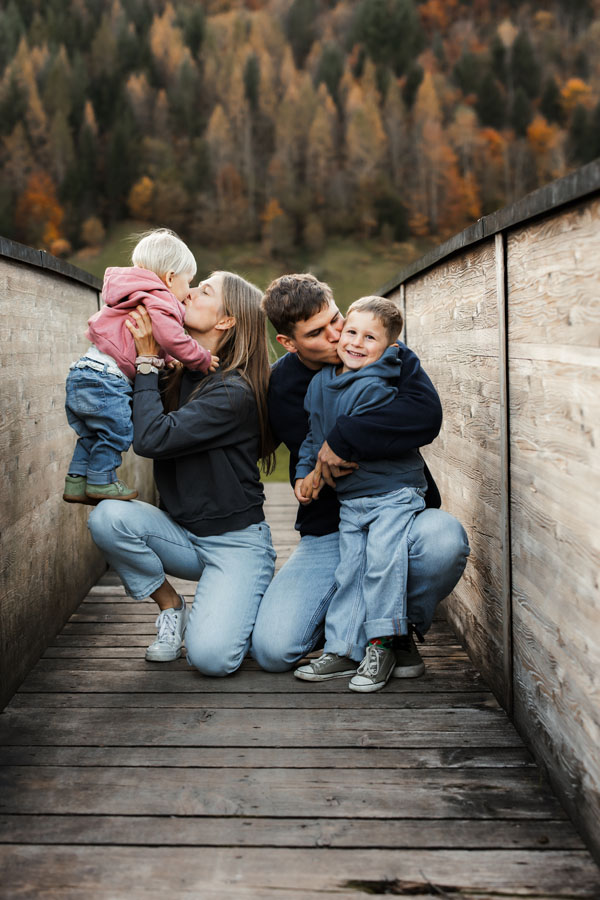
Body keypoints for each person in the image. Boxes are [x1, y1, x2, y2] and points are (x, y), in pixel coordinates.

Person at [252, 273, 470, 679]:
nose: (340, 336)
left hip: (395, 506)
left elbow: (425, 416)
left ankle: (394, 631)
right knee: (272, 650)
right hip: (332, 526)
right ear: (289, 343)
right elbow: (326, 463)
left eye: (337, 319)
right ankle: (348, 632)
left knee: (444, 539)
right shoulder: (284, 386)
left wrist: (345, 436)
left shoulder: (385, 353)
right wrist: (323, 459)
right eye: (319, 332)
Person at [87, 271, 276, 673]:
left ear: (226, 320)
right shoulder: (178, 371)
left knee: (212, 660)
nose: (188, 291)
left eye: (204, 290)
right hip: (183, 536)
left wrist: (146, 360)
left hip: (235, 544)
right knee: (107, 517)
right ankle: (172, 605)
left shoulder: (233, 391)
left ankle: (250, 596)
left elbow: (152, 439)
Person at [293, 296, 428, 692]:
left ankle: (384, 643)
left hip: (392, 492)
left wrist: (322, 464)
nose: (355, 342)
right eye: (351, 332)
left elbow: (354, 436)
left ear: (390, 349)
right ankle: (341, 648)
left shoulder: (377, 382)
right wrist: (305, 473)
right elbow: (313, 436)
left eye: (370, 338)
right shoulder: (320, 383)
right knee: (351, 569)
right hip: (353, 501)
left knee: (383, 564)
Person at [63, 229, 218, 505]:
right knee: (118, 431)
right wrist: (200, 358)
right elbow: (171, 337)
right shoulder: (161, 297)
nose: (187, 292)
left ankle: (77, 481)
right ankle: (101, 481)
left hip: (84, 371)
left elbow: (158, 342)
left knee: (93, 433)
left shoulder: (134, 292)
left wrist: (169, 360)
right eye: (188, 282)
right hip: (108, 379)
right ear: (170, 278)